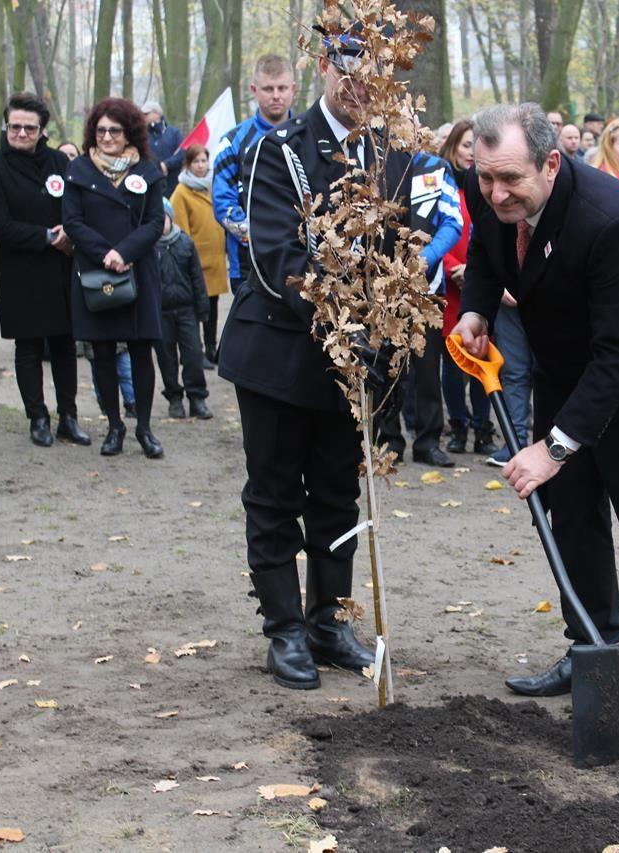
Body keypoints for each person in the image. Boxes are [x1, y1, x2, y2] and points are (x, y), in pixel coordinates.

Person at [452, 103, 619, 731]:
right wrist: (477, 310)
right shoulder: (491, 193)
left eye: (510, 179)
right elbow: (484, 253)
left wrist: (552, 448)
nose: (496, 192)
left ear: (552, 162)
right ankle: (593, 650)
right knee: (574, 516)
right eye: (486, 179)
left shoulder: (612, 220)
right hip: (566, 363)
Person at [216, 27, 400, 691]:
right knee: (274, 495)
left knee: (335, 494)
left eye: (373, 75)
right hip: (279, 352)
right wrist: (345, 330)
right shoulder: (278, 152)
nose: (359, 86)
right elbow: (278, 258)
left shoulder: (390, 155)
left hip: (350, 366)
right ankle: (284, 628)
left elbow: (398, 255)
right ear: (324, 67)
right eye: (348, 70)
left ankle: (328, 619)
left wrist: (384, 337)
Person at [0, 91, 90, 448]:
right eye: (15, 127)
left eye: (30, 128)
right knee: (28, 347)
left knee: (63, 344)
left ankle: (68, 417)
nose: (22, 134)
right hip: (20, 270)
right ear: (6, 127)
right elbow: (0, 225)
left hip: (61, 267)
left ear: (42, 130)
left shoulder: (61, 162)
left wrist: (70, 232)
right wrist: (46, 236)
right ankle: (37, 417)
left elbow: (78, 206)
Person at [62, 97, 167, 459]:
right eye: (102, 129)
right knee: (102, 352)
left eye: (115, 130)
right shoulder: (78, 170)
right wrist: (105, 254)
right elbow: (72, 221)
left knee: (141, 352)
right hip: (95, 271)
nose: (107, 136)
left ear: (129, 133)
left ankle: (144, 428)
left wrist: (124, 252)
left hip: (138, 271)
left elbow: (156, 221)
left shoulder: (148, 172)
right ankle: (113, 426)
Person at [375, 144, 463, 466]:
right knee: (385, 363)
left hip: (427, 287)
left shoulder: (435, 168)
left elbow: (452, 222)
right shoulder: (374, 159)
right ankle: (388, 440)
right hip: (381, 285)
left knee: (427, 367)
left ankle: (428, 441)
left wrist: (424, 259)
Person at [212, 55, 298, 302]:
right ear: (253, 90)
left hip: (301, 260)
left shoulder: (308, 135)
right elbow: (223, 203)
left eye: (282, 88)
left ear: (293, 89)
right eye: (268, 89)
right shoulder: (232, 142)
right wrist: (263, 238)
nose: (276, 95)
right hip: (247, 264)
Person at [438, 120, 500, 457]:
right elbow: (436, 231)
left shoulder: (494, 189)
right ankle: (458, 426)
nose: (470, 153)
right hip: (452, 286)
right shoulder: (445, 186)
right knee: (453, 361)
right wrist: (453, 269)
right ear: (453, 147)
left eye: (476, 146)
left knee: (483, 358)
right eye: (465, 145)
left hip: (485, 287)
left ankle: (483, 426)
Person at [170, 143, 227, 368]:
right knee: (194, 309)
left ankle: (211, 348)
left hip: (215, 259)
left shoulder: (214, 186)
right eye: (196, 161)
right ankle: (195, 351)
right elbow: (181, 228)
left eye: (204, 161)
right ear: (188, 164)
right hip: (196, 262)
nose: (201, 166)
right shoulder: (181, 193)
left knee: (212, 306)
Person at [153, 198, 210, 419]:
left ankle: (197, 398)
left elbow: (197, 279)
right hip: (161, 312)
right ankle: (174, 398)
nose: (161, 224)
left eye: (163, 218)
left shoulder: (185, 243)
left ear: (171, 218)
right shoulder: (149, 247)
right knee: (166, 357)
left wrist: (202, 309)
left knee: (193, 354)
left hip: (187, 310)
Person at [140, 100, 184, 195]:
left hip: (172, 184)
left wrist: (166, 164)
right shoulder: (141, 135)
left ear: (157, 114)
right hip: (148, 183)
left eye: (146, 114)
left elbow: (182, 153)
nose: (143, 116)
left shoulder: (174, 133)